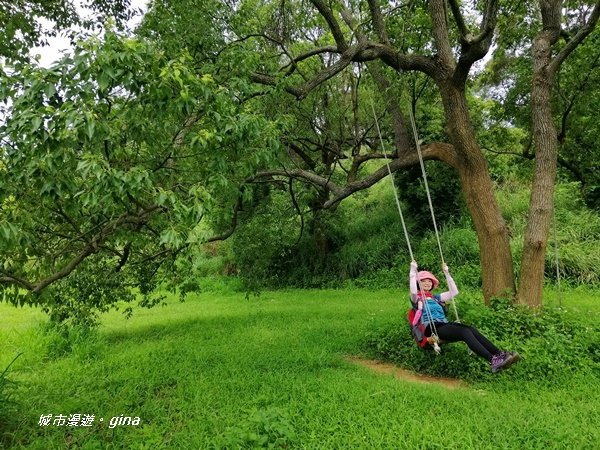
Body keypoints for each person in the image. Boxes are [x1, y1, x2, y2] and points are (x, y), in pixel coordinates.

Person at [409, 261, 520, 373]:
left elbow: (454, 292)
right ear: (418, 283)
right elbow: (413, 290)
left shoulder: (436, 298)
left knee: (470, 329)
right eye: (423, 281)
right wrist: (412, 271)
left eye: (429, 281)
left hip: (443, 324)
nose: (427, 283)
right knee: (464, 332)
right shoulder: (416, 299)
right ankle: (492, 360)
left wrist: (447, 273)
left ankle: (499, 354)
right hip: (431, 328)